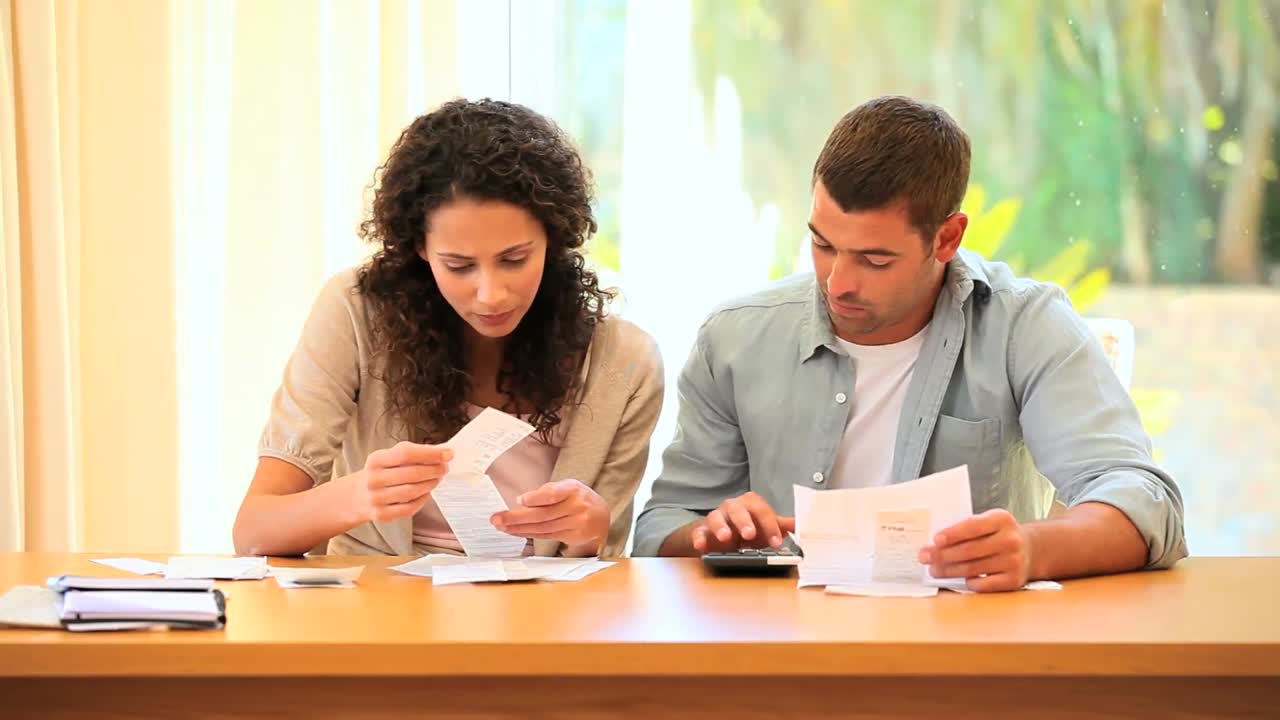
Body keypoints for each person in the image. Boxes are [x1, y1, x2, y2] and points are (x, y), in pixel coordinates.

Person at [633, 95, 1186, 591]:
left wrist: (1034, 548)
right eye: (823, 245)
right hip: (783, 654)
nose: (837, 283)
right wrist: (713, 535)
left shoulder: (1025, 325)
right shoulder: (735, 338)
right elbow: (662, 525)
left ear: (947, 238)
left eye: (875, 259)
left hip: (966, 656)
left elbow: (1144, 500)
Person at [233, 99, 663, 558]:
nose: (490, 294)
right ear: (419, 246)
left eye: (515, 259)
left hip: (539, 617)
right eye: (458, 266)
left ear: (554, 238)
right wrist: (359, 495)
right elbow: (255, 531)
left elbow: (604, 571)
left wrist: (592, 531)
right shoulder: (356, 312)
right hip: (380, 611)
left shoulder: (624, 363)